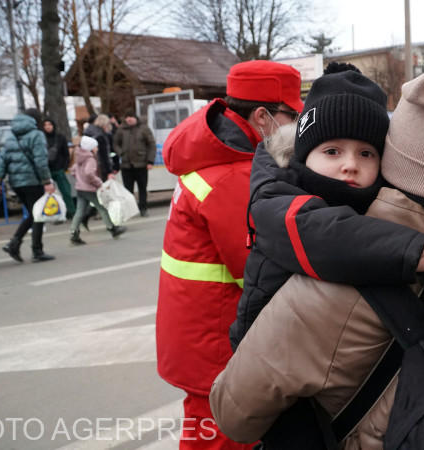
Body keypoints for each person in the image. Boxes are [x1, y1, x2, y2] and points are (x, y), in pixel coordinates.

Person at [211, 64, 424, 449]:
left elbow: (232, 415)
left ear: (390, 158)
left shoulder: (322, 292)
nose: (350, 165)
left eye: (366, 153)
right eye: (332, 151)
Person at [156, 60, 302, 450]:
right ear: (261, 116)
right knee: (221, 439)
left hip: (202, 337)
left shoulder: (214, 159)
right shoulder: (234, 176)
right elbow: (260, 270)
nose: (297, 127)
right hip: (219, 347)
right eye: (291, 115)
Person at [0, 109, 56, 262]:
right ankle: (36, 250)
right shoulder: (36, 135)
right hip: (32, 181)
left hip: (15, 182)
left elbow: (3, 160)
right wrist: (46, 181)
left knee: (33, 214)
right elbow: (41, 161)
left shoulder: (11, 136)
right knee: (38, 214)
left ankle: (15, 244)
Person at [69, 136, 126, 245]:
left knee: (80, 211)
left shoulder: (79, 156)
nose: (97, 148)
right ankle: (112, 228)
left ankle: (73, 232)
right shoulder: (90, 159)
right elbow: (89, 173)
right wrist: (99, 183)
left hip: (80, 187)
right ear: (90, 147)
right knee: (102, 208)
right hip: (89, 188)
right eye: (95, 146)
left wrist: (80, 179)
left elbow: (73, 171)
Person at [114, 111, 155, 216]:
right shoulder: (121, 130)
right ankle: (130, 210)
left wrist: (150, 161)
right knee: (128, 190)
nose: (129, 119)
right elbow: (115, 143)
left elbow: (151, 144)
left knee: (142, 188)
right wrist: (121, 153)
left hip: (141, 164)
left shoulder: (143, 129)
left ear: (135, 118)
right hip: (126, 165)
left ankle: (143, 208)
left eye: (131, 117)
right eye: (127, 117)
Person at [42, 117, 75, 219]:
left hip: (59, 168)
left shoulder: (60, 137)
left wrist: (64, 166)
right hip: (47, 170)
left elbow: (66, 153)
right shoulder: (41, 138)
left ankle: (71, 212)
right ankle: (53, 213)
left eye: (49, 124)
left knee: (66, 191)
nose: (48, 127)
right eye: (45, 125)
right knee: (48, 194)